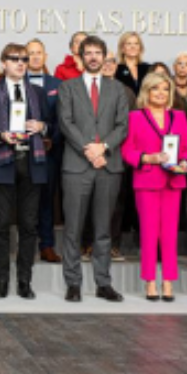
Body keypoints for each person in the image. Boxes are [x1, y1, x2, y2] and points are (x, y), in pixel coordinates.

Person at [57, 36, 128, 303]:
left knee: (103, 229)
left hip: (108, 166)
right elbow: (65, 123)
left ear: (105, 56)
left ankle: (103, 283)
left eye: (99, 52)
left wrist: (104, 148)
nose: (94, 57)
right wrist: (89, 149)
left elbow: (122, 125)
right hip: (77, 166)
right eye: (89, 53)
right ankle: (73, 283)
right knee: (73, 229)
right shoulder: (68, 87)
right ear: (81, 56)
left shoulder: (117, 89)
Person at [0, 43, 54, 300]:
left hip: (32, 163)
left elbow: (54, 128)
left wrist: (43, 127)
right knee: (1, 226)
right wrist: (1, 135)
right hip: (2, 162)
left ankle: (24, 281)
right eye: (14, 59)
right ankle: (1, 281)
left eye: (24, 59)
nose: (20, 63)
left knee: (28, 226)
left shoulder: (38, 92)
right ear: (3, 63)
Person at [122, 72, 187, 302]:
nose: (161, 93)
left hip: (173, 182)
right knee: (149, 233)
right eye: (156, 89)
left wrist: (185, 162)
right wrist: (148, 158)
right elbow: (127, 151)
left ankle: (168, 282)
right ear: (147, 91)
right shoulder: (135, 117)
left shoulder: (179, 117)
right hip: (147, 181)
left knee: (170, 235)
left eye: (165, 88)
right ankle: (150, 282)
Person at [27, 39, 63, 264]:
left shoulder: (58, 84)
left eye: (39, 53)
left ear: (46, 56)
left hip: (49, 152)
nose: (35, 57)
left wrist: (52, 137)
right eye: (30, 53)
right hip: (21, 151)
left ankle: (47, 245)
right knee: (23, 200)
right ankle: (26, 246)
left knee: (47, 200)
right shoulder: (15, 83)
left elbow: (64, 120)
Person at [103, 49, 138, 259]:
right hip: (91, 154)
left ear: (117, 65)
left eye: (112, 61)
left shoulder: (127, 92)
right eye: (104, 60)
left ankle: (113, 245)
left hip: (118, 154)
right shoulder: (87, 88)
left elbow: (131, 126)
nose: (107, 64)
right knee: (90, 203)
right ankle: (87, 244)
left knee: (116, 203)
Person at [115, 31, 151, 96]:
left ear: (140, 48)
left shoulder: (148, 68)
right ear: (122, 48)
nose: (133, 47)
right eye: (129, 44)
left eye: (136, 44)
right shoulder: (116, 69)